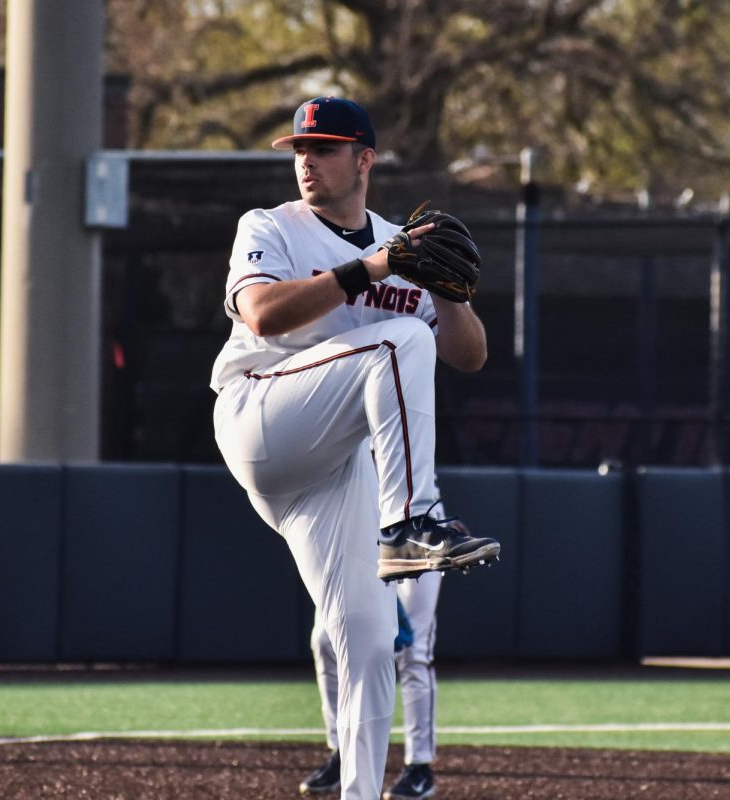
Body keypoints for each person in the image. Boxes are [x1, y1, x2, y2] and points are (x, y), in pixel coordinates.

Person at [209, 96, 499, 800]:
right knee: (397, 340)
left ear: (364, 160)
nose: (306, 159)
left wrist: (450, 295)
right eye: (299, 148)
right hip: (260, 415)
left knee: (369, 643)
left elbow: (471, 356)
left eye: (325, 147)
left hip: (333, 469)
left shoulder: (400, 245)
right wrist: (372, 269)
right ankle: (409, 524)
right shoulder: (272, 226)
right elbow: (263, 315)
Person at [301, 513, 453, 800]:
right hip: (359, 525)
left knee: (414, 651)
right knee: (324, 640)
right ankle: (341, 751)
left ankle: (419, 766)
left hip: (418, 523)